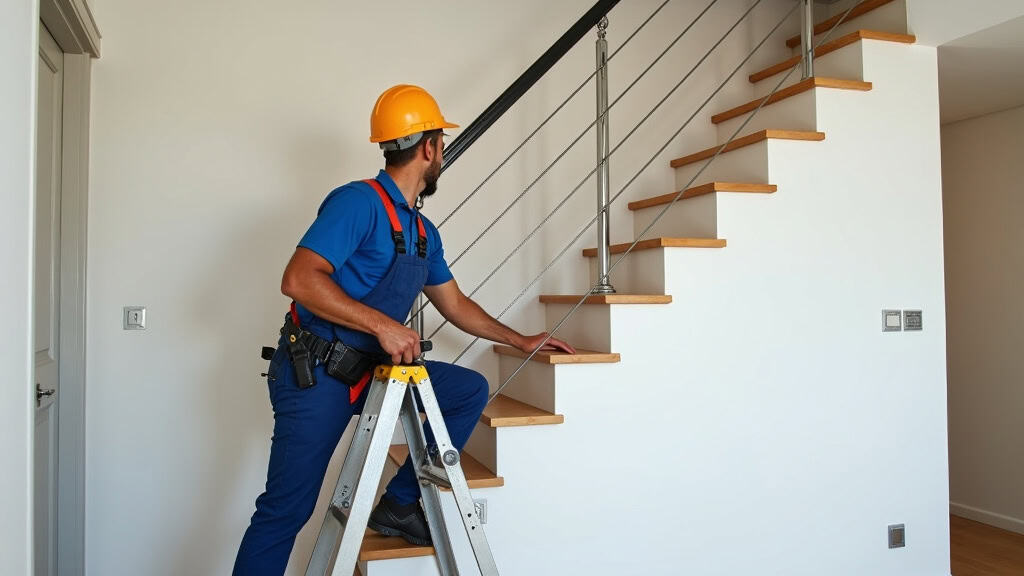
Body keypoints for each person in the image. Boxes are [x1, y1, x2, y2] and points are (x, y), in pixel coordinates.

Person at [233, 84, 575, 575]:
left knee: (466, 391)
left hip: (372, 371)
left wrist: (520, 340)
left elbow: (454, 303)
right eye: (442, 145)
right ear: (430, 148)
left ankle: (398, 503)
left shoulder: (421, 232)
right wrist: (382, 325)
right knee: (286, 511)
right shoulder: (358, 203)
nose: (442, 155)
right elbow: (299, 279)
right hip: (318, 375)